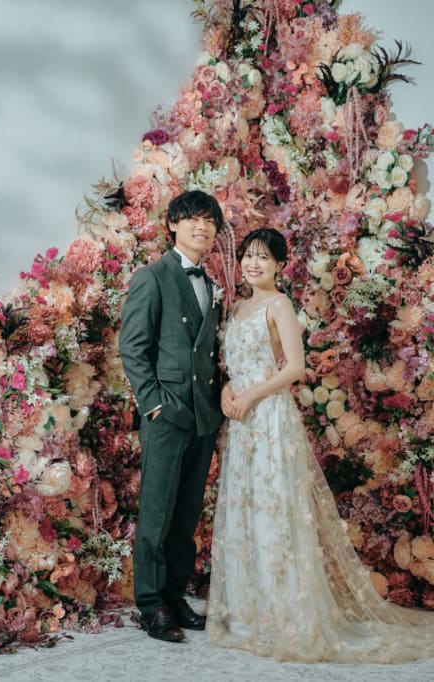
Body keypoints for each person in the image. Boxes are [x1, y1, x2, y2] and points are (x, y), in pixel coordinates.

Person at [208, 228, 434, 661]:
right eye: (248, 256)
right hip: (240, 423)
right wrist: (226, 393)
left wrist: (252, 396)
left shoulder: (279, 305)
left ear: (279, 265)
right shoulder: (237, 308)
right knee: (245, 508)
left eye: (263, 258)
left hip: (269, 418)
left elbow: (294, 368)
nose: (254, 264)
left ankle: (282, 615)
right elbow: (230, 366)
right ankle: (246, 613)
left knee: (274, 508)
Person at [119, 190, 226, 643]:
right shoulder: (153, 277)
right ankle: (151, 604)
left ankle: (176, 596)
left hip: (204, 415)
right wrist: (154, 404)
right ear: (173, 225)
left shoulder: (214, 283)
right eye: (193, 220)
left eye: (209, 222)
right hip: (167, 415)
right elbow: (132, 348)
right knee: (158, 513)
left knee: (185, 516)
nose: (202, 228)